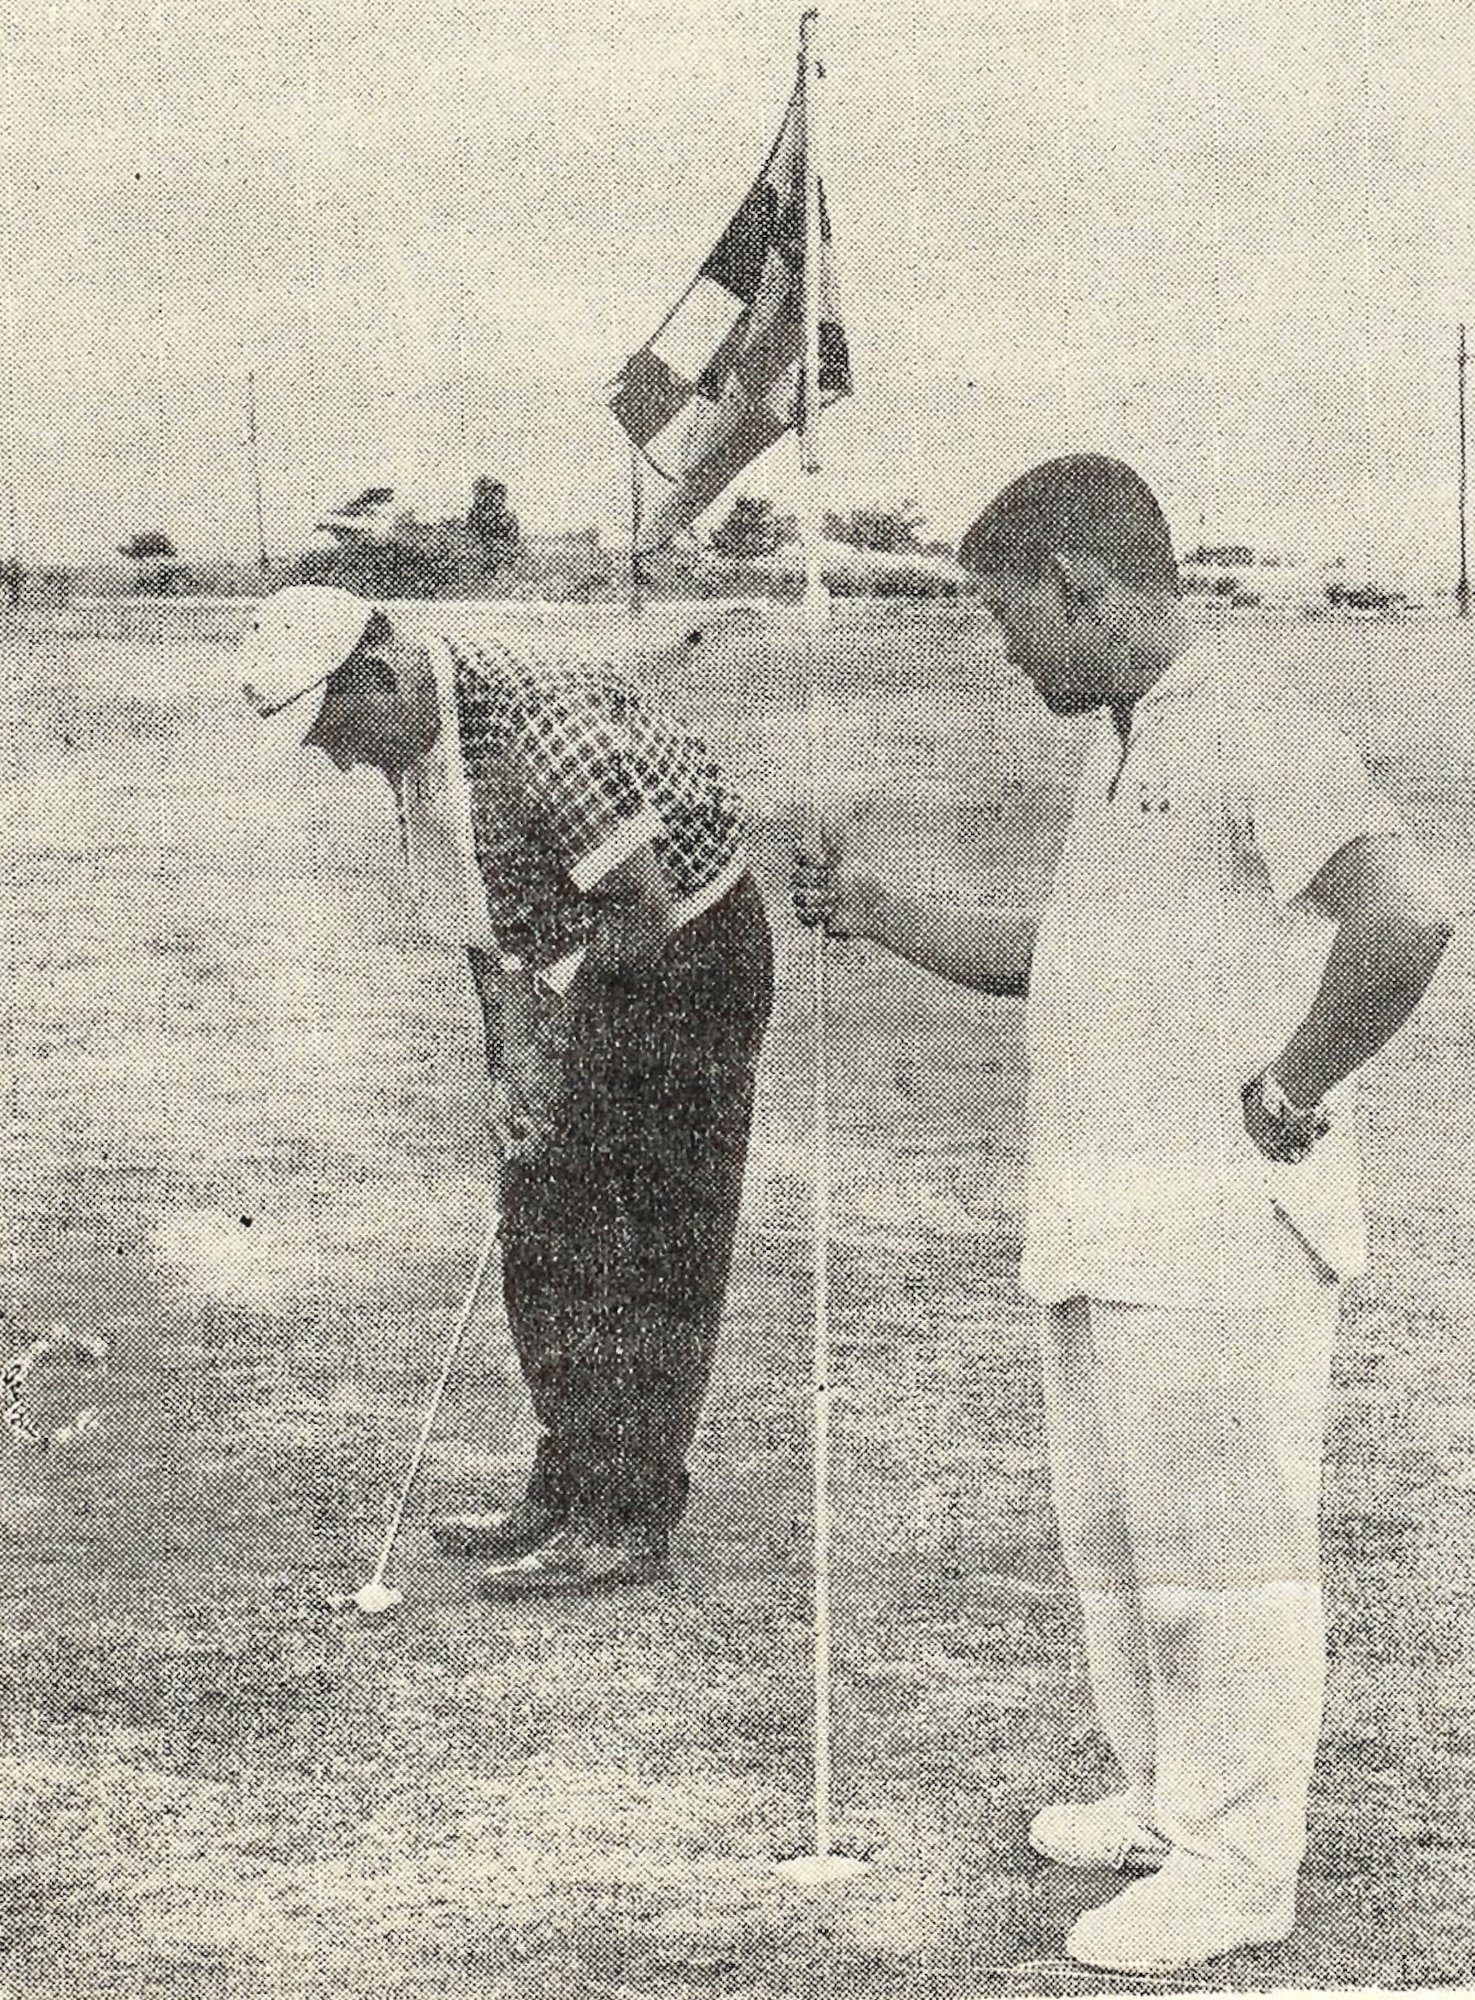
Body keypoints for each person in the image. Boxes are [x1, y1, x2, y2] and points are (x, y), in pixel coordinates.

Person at [793, 456, 1454, 1974]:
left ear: (1080, 588)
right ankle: (1163, 1802)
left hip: (1216, 1234)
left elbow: (1402, 915)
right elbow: (1068, 956)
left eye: (1005, 613)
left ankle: (1236, 1868)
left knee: (1222, 1558)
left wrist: (1290, 1090)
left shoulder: (1247, 723)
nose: (1001, 645)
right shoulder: (1120, 737)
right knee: (1116, 1546)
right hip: (1102, 1227)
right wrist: (884, 913)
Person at [242, 585, 773, 1596]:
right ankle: (568, 1481)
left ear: (379, 673)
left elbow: (641, 917)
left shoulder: (537, 729)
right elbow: (491, 933)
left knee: (645, 1239)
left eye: (337, 729)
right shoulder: (418, 745)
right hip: (584, 956)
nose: (342, 760)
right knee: (539, 1217)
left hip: (688, 955)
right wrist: (512, 1071)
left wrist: (558, 1051)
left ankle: (624, 1518)